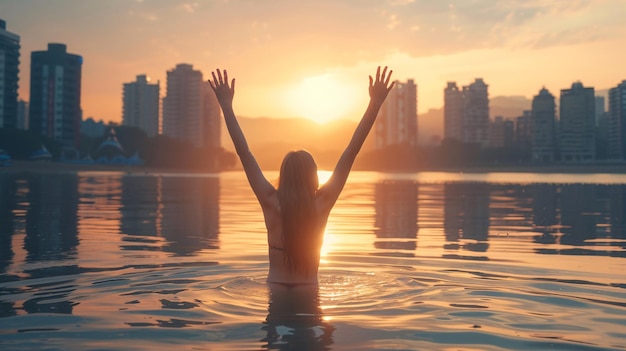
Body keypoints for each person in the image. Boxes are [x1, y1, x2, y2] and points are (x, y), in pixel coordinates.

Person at [209, 66, 395, 286]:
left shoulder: (270, 201)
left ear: (284, 175)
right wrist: (375, 105)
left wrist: (226, 107)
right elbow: (351, 151)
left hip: (274, 297)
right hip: (310, 296)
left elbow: (244, 152)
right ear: (312, 176)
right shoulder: (322, 204)